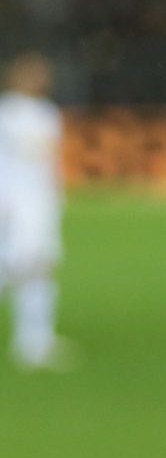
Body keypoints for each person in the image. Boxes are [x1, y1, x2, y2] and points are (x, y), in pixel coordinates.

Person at [0, 51, 69, 370]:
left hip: (41, 201)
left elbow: (48, 162)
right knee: (25, 265)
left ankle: (35, 341)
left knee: (38, 267)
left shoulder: (46, 111)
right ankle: (33, 342)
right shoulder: (8, 112)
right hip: (15, 201)